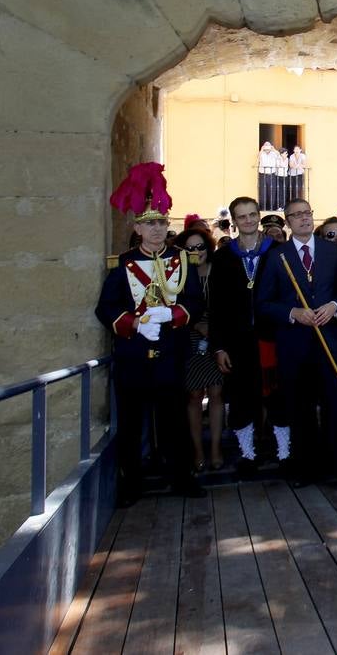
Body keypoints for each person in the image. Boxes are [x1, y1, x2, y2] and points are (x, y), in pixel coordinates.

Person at [95, 163, 206, 504]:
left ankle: (182, 478)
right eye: (149, 224)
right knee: (130, 424)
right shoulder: (121, 263)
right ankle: (131, 485)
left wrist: (172, 315)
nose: (157, 229)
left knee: (175, 419)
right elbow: (106, 308)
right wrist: (136, 322)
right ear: (137, 228)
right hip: (132, 356)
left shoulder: (182, 260)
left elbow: (194, 302)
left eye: (161, 222)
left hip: (170, 353)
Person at [255, 197, 337, 489]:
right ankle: (306, 468)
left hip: (330, 343)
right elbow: (263, 303)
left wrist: (334, 306)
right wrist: (293, 313)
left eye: (307, 213)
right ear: (288, 221)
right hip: (294, 345)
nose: (304, 218)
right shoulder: (276, 256)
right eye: (297, 215)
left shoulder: (332, 252)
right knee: (300, 408)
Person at [210, 196, 277, 477]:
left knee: (275, 393)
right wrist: (219, 346)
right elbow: (216, 305)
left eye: (252, 215)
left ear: (258, 216)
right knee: (241, 396)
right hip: (237, 341)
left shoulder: (277, 251)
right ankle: (247, 454)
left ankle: (280, 450)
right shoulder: (224, 256)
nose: (248, 220)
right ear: (234, 221)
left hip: (271, 336)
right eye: (242, 216)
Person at [178, 227, 225, 472]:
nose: (197, 252)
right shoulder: (178, 274)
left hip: (216, 337)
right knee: (194, 396)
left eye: (201, 247)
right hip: (189, 337)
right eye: (191, 248)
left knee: (217, 394)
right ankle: (197, 450)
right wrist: (196, 323)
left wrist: (214, 329)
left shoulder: (219, 271)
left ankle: (216, 447)